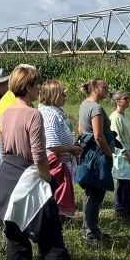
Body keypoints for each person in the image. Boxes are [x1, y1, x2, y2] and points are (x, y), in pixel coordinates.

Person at [0, 64, 91, 260]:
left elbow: (5, 150)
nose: (38, 89)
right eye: (36, 85)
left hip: (8, 178)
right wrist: (46, 178)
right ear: (28, 87)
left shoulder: (6, 113)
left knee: (15, 238)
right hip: (31, 177)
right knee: (52, 240)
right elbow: (40, 155)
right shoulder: (33, 115)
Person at [77, 78, 114, 245]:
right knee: (96, 193)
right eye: (104, 87)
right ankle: (90, 232)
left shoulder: (84, 105)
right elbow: (99, 136)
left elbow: (80, 129)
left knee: (91, 193)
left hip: (88, 153)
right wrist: (108, 154)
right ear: (94, 89)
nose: (107, 90)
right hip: (98, 155)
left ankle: (91, 228)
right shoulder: (96, 108)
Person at [38, 79, 81, 219]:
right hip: (56, 163)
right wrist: (72, 149)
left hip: (62, 161)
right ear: (53, 95)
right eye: (62, 93)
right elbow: (52, 145)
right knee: (56, 196)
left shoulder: (55, 111)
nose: (65, 96)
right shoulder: (49, 115)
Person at [109, 90, 130, 223]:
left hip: (129, 150)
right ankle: (122, 211)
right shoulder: (115, 117)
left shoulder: (126, 115)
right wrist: (124, 152)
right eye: (125, 98)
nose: (128, 100)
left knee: (125, 182)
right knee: (124, 182)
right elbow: (116, 137)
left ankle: (124, 210)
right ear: (118, 102)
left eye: (128, 98)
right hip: (121, 153)